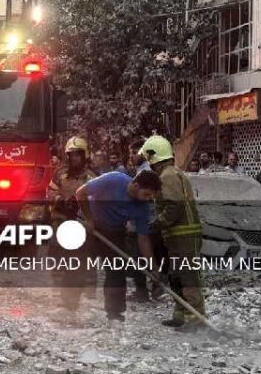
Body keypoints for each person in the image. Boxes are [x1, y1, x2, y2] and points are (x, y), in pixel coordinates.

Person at [76, 170, 162, 324]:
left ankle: (114, 314)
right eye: (147, 194)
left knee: (117, 271)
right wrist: (89, 219)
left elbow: (143, 239)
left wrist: (153, 267)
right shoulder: (113, 180)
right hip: (91, 227)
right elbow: (80, 193)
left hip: (115, 232)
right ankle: (69, 306)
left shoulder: (142, 208)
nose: (148, 199)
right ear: (136, 185)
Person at [139, 135, 206, 330]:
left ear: (153, 157)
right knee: (176, 275)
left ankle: (196, 319)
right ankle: (180, 314)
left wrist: (157, 224)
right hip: (177, 236)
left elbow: (173, 208)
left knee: (188, 276)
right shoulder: (172, 174)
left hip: (184, 235)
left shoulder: (167, 176)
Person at [47, 137, 100, 319]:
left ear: (84, 156)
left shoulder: (91, 176)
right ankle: (59, 287)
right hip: (61, 218)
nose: (75, 158)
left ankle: (89, 290)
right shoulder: (60, 173)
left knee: (85, 255)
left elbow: (96, 198)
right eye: (71, 155)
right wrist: (58, 200)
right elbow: (50, 192)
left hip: (82, 221)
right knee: (56, 249)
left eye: (78, 154)